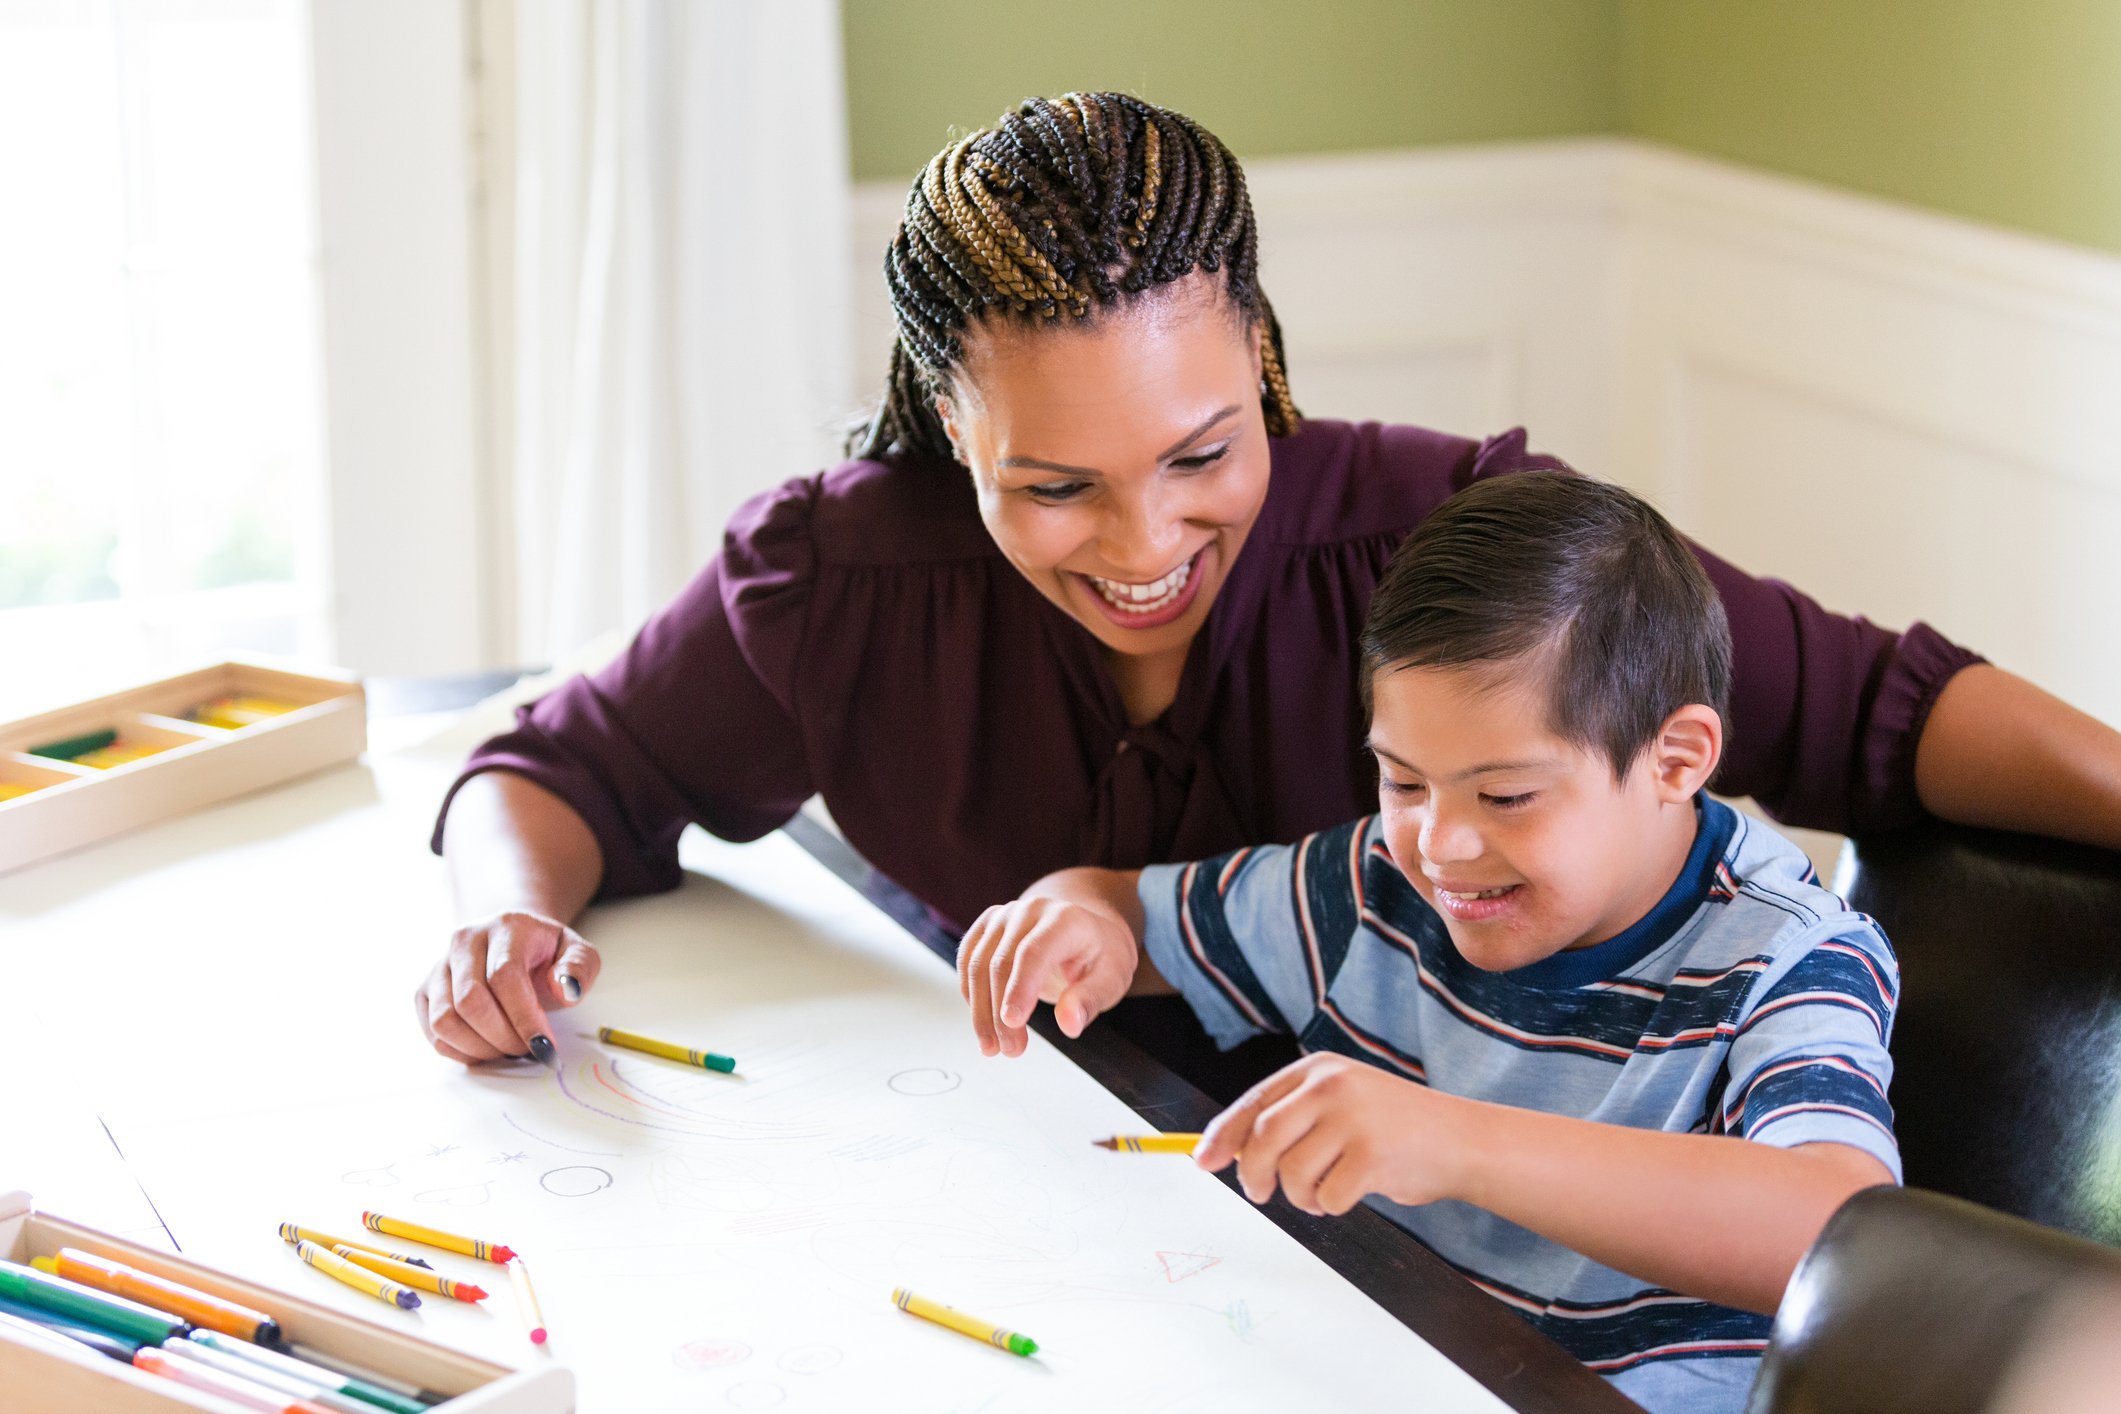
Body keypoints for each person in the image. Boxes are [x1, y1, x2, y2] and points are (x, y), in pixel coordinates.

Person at [414, 90, 2119, 1068]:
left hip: (1423, 1241)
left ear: (1264, 354)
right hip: (1030, 1179)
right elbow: (565, 766)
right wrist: (506, 915)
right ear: (949, 422)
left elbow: (1884, 711)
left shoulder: (1451, 539)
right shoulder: (843, 572)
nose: (1144, 546)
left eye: (1203, 453)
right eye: (1051, 485)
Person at [957, 471, 1900, 1412]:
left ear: (1675, 759)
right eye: (1404, 783)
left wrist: (1455, 1142)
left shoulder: (1789, 954)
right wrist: (1073, 918)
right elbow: (1123, 913)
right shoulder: (1374, 884)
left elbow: (1839, 1230)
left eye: (1505, 797)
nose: (1439, 847)